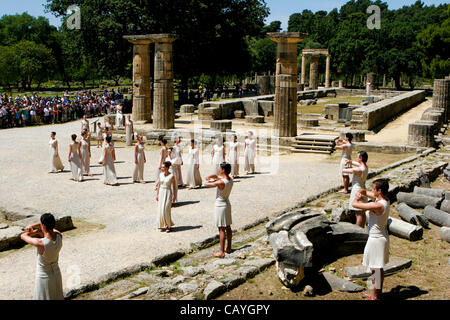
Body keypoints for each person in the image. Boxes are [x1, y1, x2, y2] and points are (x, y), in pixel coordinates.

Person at [352, 179, 390, 300]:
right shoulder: (384, 199)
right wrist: (361, 192)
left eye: (374, 188)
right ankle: (376, 294)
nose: (372, 190)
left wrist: (356, 198)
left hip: (376, 239)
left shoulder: (378, 205)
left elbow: (355, 205)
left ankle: (376, 297)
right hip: (380, 236)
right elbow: (366, 192)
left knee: (376, 270)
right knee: (377, 268)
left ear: (379, 191)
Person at [20, 213, 64, 300]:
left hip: (44, 276)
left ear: (43, 225)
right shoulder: (59, 236)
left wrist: (32, 231)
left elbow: (23, 236)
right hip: (56, 273)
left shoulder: (40, 243)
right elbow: (49, 233)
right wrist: (35, 228)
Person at [205, 163, 234, 258]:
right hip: (227, 203)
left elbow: (207, 184)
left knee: (221, 229)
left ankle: (221, 252)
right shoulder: (230, 180)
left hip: (220, 205)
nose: (219, 170)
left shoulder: (221, 182)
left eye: (220, 168)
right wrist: (210, 176)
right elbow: (217, 176)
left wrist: (208, 181)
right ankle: (228, 247)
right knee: (228, 227)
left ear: (223, 170)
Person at [343, 150, 369, 228]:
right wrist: (350, 162)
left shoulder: (358, 169)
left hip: (357, 190)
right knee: (362, 212)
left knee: (358, 213)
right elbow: (357, 164)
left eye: (358, 157)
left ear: (361, 158)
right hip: (362, 188)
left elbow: (347, 170)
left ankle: (358, 230)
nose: (356, 158)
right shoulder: (365, 166)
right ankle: (362, 229)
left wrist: (344, 168)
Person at [156, 161, 177, 233]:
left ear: (167, 168)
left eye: (163, 167)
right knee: (161, 209)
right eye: (161, 167)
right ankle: (163, 224)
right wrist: (157, 194)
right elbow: (158, 184)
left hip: (168, 192)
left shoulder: (172, 176)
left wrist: (174, 196)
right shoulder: (160, 174)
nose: (161, 168)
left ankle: (168, 226)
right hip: (161, 192)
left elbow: (174, 187)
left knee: (166, 210)